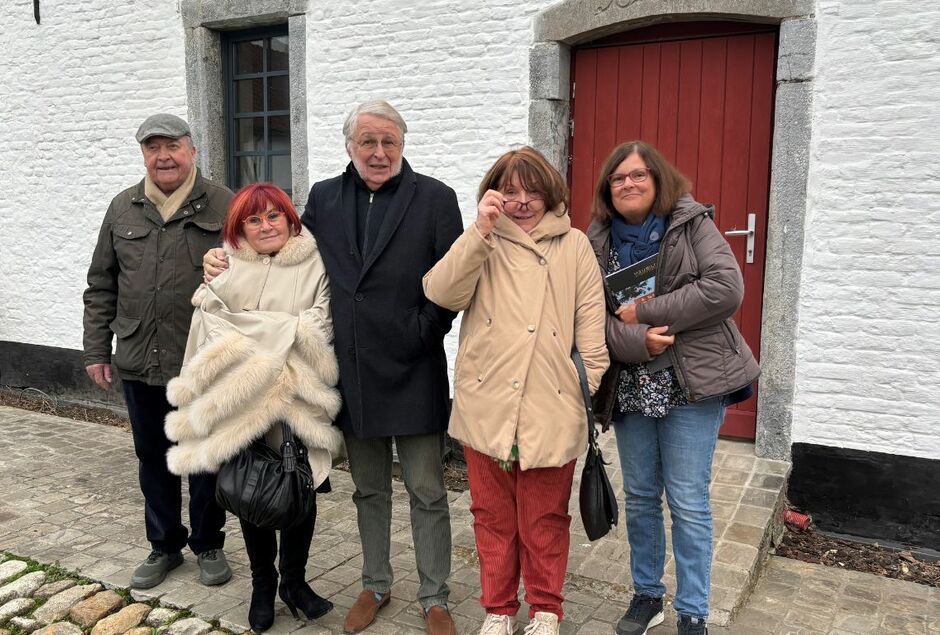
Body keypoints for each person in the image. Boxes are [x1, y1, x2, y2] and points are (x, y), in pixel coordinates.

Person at [203, 100, 463, 635]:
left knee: (427, 490)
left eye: (389, 141)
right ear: (349, 146)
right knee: (368, 489)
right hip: (353, 373)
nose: (378, 151)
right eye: (367, 141)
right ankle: (375, 584)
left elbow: (453, 280)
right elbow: (283, 249)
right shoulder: (324, 196)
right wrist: (222, 256)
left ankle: (434, 596)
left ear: (403, 145)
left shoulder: (435, 198)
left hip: (414, 367)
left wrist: (424, 330)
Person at [423, 147, 609, 635]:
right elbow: (441, 292)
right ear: (494, 194)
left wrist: (579, 388)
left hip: (552, 405)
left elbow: (592, 330)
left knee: (545, 518)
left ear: (551, 193)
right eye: (510, 190)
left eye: (532, 190)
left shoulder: (574, 245)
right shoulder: (484, 240)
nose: (522, 201)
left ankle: (546, 608)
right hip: (488, 403)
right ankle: (499, 610)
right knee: (491, 517)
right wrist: (479, 231)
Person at [586, 141, 760, 635]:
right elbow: (587, 317)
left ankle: (693, 612)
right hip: (632, 384)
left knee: (687, 500)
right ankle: (647, 596)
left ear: (657, 179)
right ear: (607, 189)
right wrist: (637, 340)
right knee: (641, 496)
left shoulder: (692, 223)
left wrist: (647, 311)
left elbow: (726, 289)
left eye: (638, 175)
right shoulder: (594, 239)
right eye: (619, 178)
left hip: (692, 385)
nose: (629, 184)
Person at [163, 182, 343, 632]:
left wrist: (250, 334)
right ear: (240, 226)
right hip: (242, 405)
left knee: (301, 489)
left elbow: (320, 324)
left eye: (274, 216)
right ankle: (264, 584)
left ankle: (294, 583)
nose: (266, 226)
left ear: (289, 218)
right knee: (252, 491)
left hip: (297, 401)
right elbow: (212, 326)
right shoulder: (224, 266)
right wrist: (284, 332)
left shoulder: (316, 264)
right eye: (254, 219)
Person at [82, 113, 233, 590]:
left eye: (173, 146)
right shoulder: (122, 208)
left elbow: (254, 279)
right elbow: (101, 283)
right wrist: (95, 350)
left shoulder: (224, 204)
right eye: (154, 148)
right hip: (138, 358)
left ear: (192, 151)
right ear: (144, 154)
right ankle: (164, 545)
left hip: (202, 361)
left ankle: (208, 544)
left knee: (206, 459)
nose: (163, 156)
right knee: (153, 457)